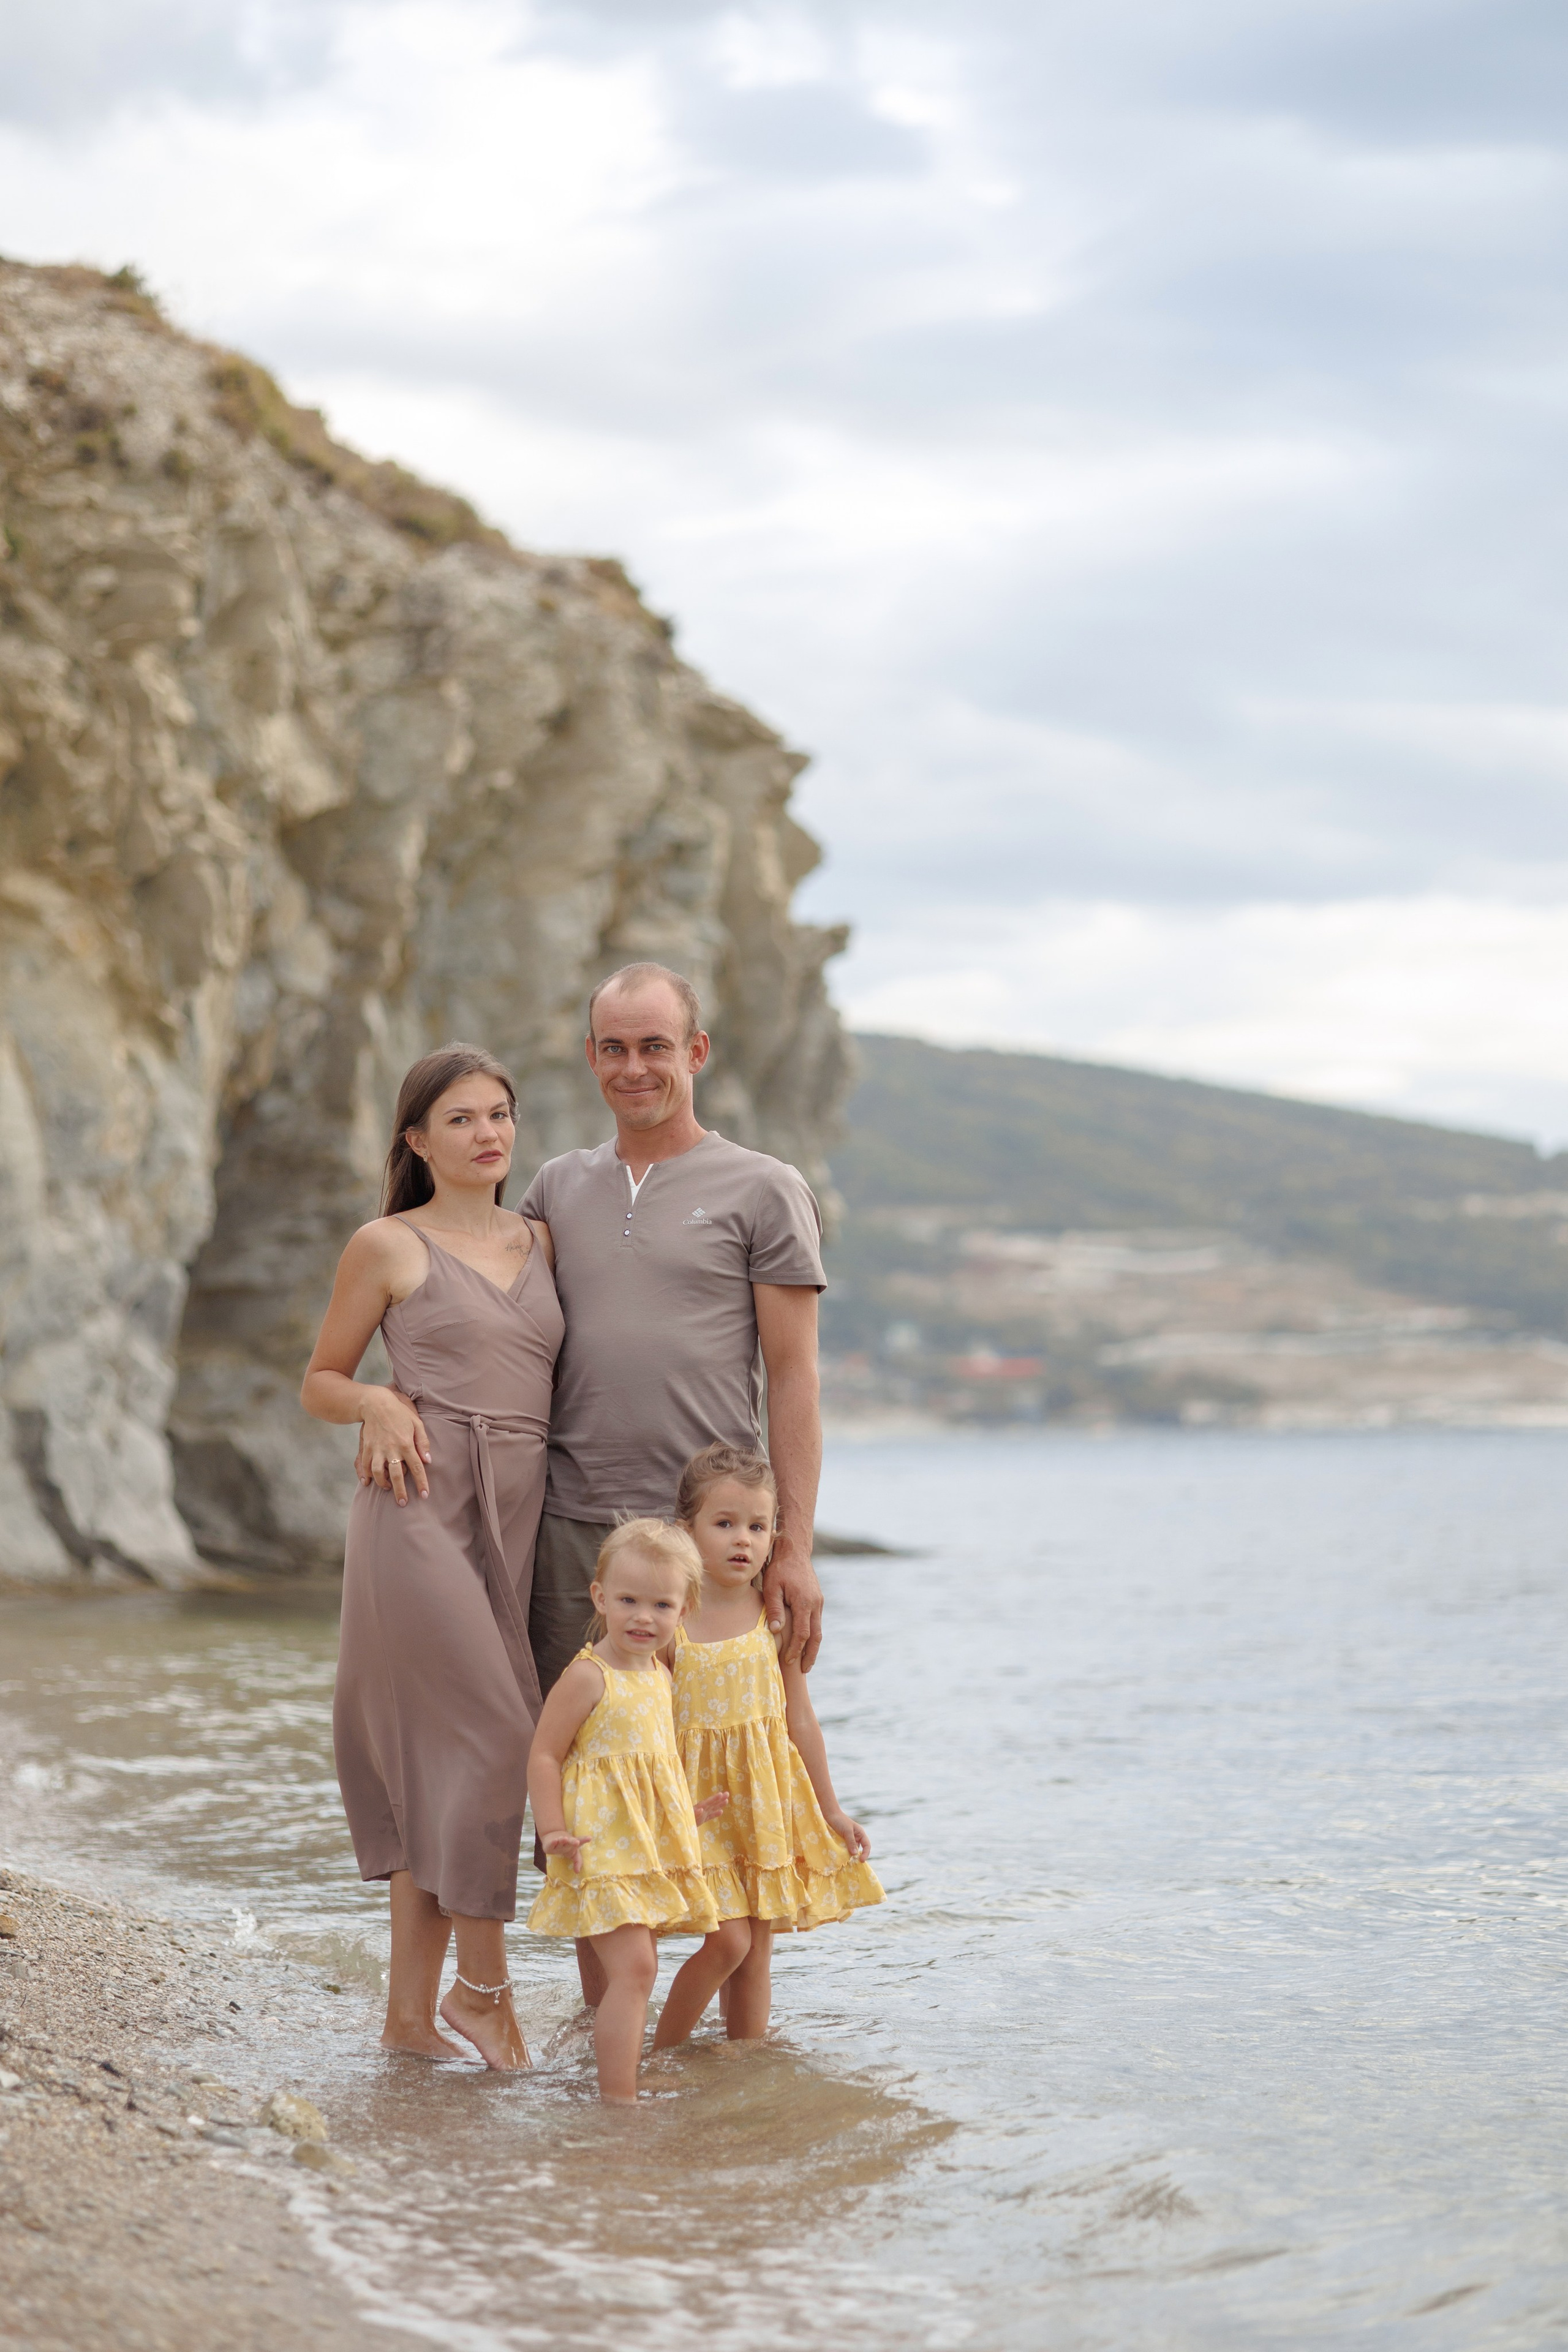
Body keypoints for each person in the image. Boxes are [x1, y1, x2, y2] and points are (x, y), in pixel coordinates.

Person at [302, 1043, 563, 2073]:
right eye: (460, 1118)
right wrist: (373, 1399)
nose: (487, 1133)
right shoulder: (387, 1245)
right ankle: (486, 1994)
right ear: (417, 1139)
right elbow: (321, 1378)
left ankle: (408, 2027)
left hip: (520, 1512)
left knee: (436, 1772)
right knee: (501, 1739)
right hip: (414, 1507)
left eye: (499, 1114)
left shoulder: (545, 1240)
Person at [521, 960, 829, 1702]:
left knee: (713, 1769)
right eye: (615, 1048)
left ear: (696, 1052)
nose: (634, 1068)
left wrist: (792, 1549)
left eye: (655, 1046)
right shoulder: (554, 1187)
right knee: (576, 1774)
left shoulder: (765, 1188)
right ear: (591, 1055)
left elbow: (793, 1376)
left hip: (708, 1535)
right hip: (570, 1532)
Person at [652, 1444, 883, 2051]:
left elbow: (800, 1720)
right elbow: (639, 1719)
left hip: (765, 1802)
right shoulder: (670, 1623)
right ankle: (663, 2053)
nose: (742, 1541)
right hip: (702, 1804)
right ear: (687, 1531)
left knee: (756, 1948)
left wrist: (831, 1810)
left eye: (757, 1527)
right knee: (727, 1940)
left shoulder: (772, 1618)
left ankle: (745, 2062)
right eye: (724, 1524)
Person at [527, 1520, 728, 2103]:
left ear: (685, 1609)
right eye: (628, 1601)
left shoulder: (661, 1676)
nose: (644, 1617)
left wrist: (683, 1815)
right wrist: (552, 1829)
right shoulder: (590, 1676)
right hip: (596, 1848)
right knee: (637, 1969)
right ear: (600, 1599)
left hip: (645, 1849)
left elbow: (648, 1768)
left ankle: (620, 2074)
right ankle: (619, 2100)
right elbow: (544, 1753)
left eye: (661, 1604)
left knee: (641, 1969)